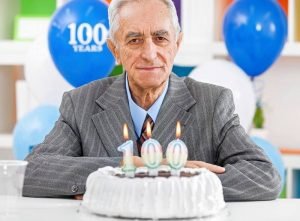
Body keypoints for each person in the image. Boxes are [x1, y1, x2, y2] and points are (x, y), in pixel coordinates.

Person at [23, 0, 281, 201]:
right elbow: (34, 172)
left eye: (160, 38)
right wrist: (129, 168)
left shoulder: (213, 103)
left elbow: (264, 176)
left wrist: (177, 180)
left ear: (176, 44)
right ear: (115, 50)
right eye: (134, 40)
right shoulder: (80, 103)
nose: (149, 53)